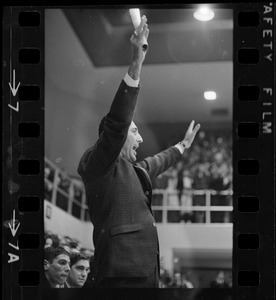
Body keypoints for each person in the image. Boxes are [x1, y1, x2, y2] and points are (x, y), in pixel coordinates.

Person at [77, 15, 200, 288]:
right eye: (135, 132)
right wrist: (137, 62)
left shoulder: (136, 170)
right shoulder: (97, 163)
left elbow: (158, 161)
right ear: (117, 137)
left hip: (146, 273)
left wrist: (182, 146)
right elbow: (119, 121)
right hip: (122, 272)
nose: (141, 138)